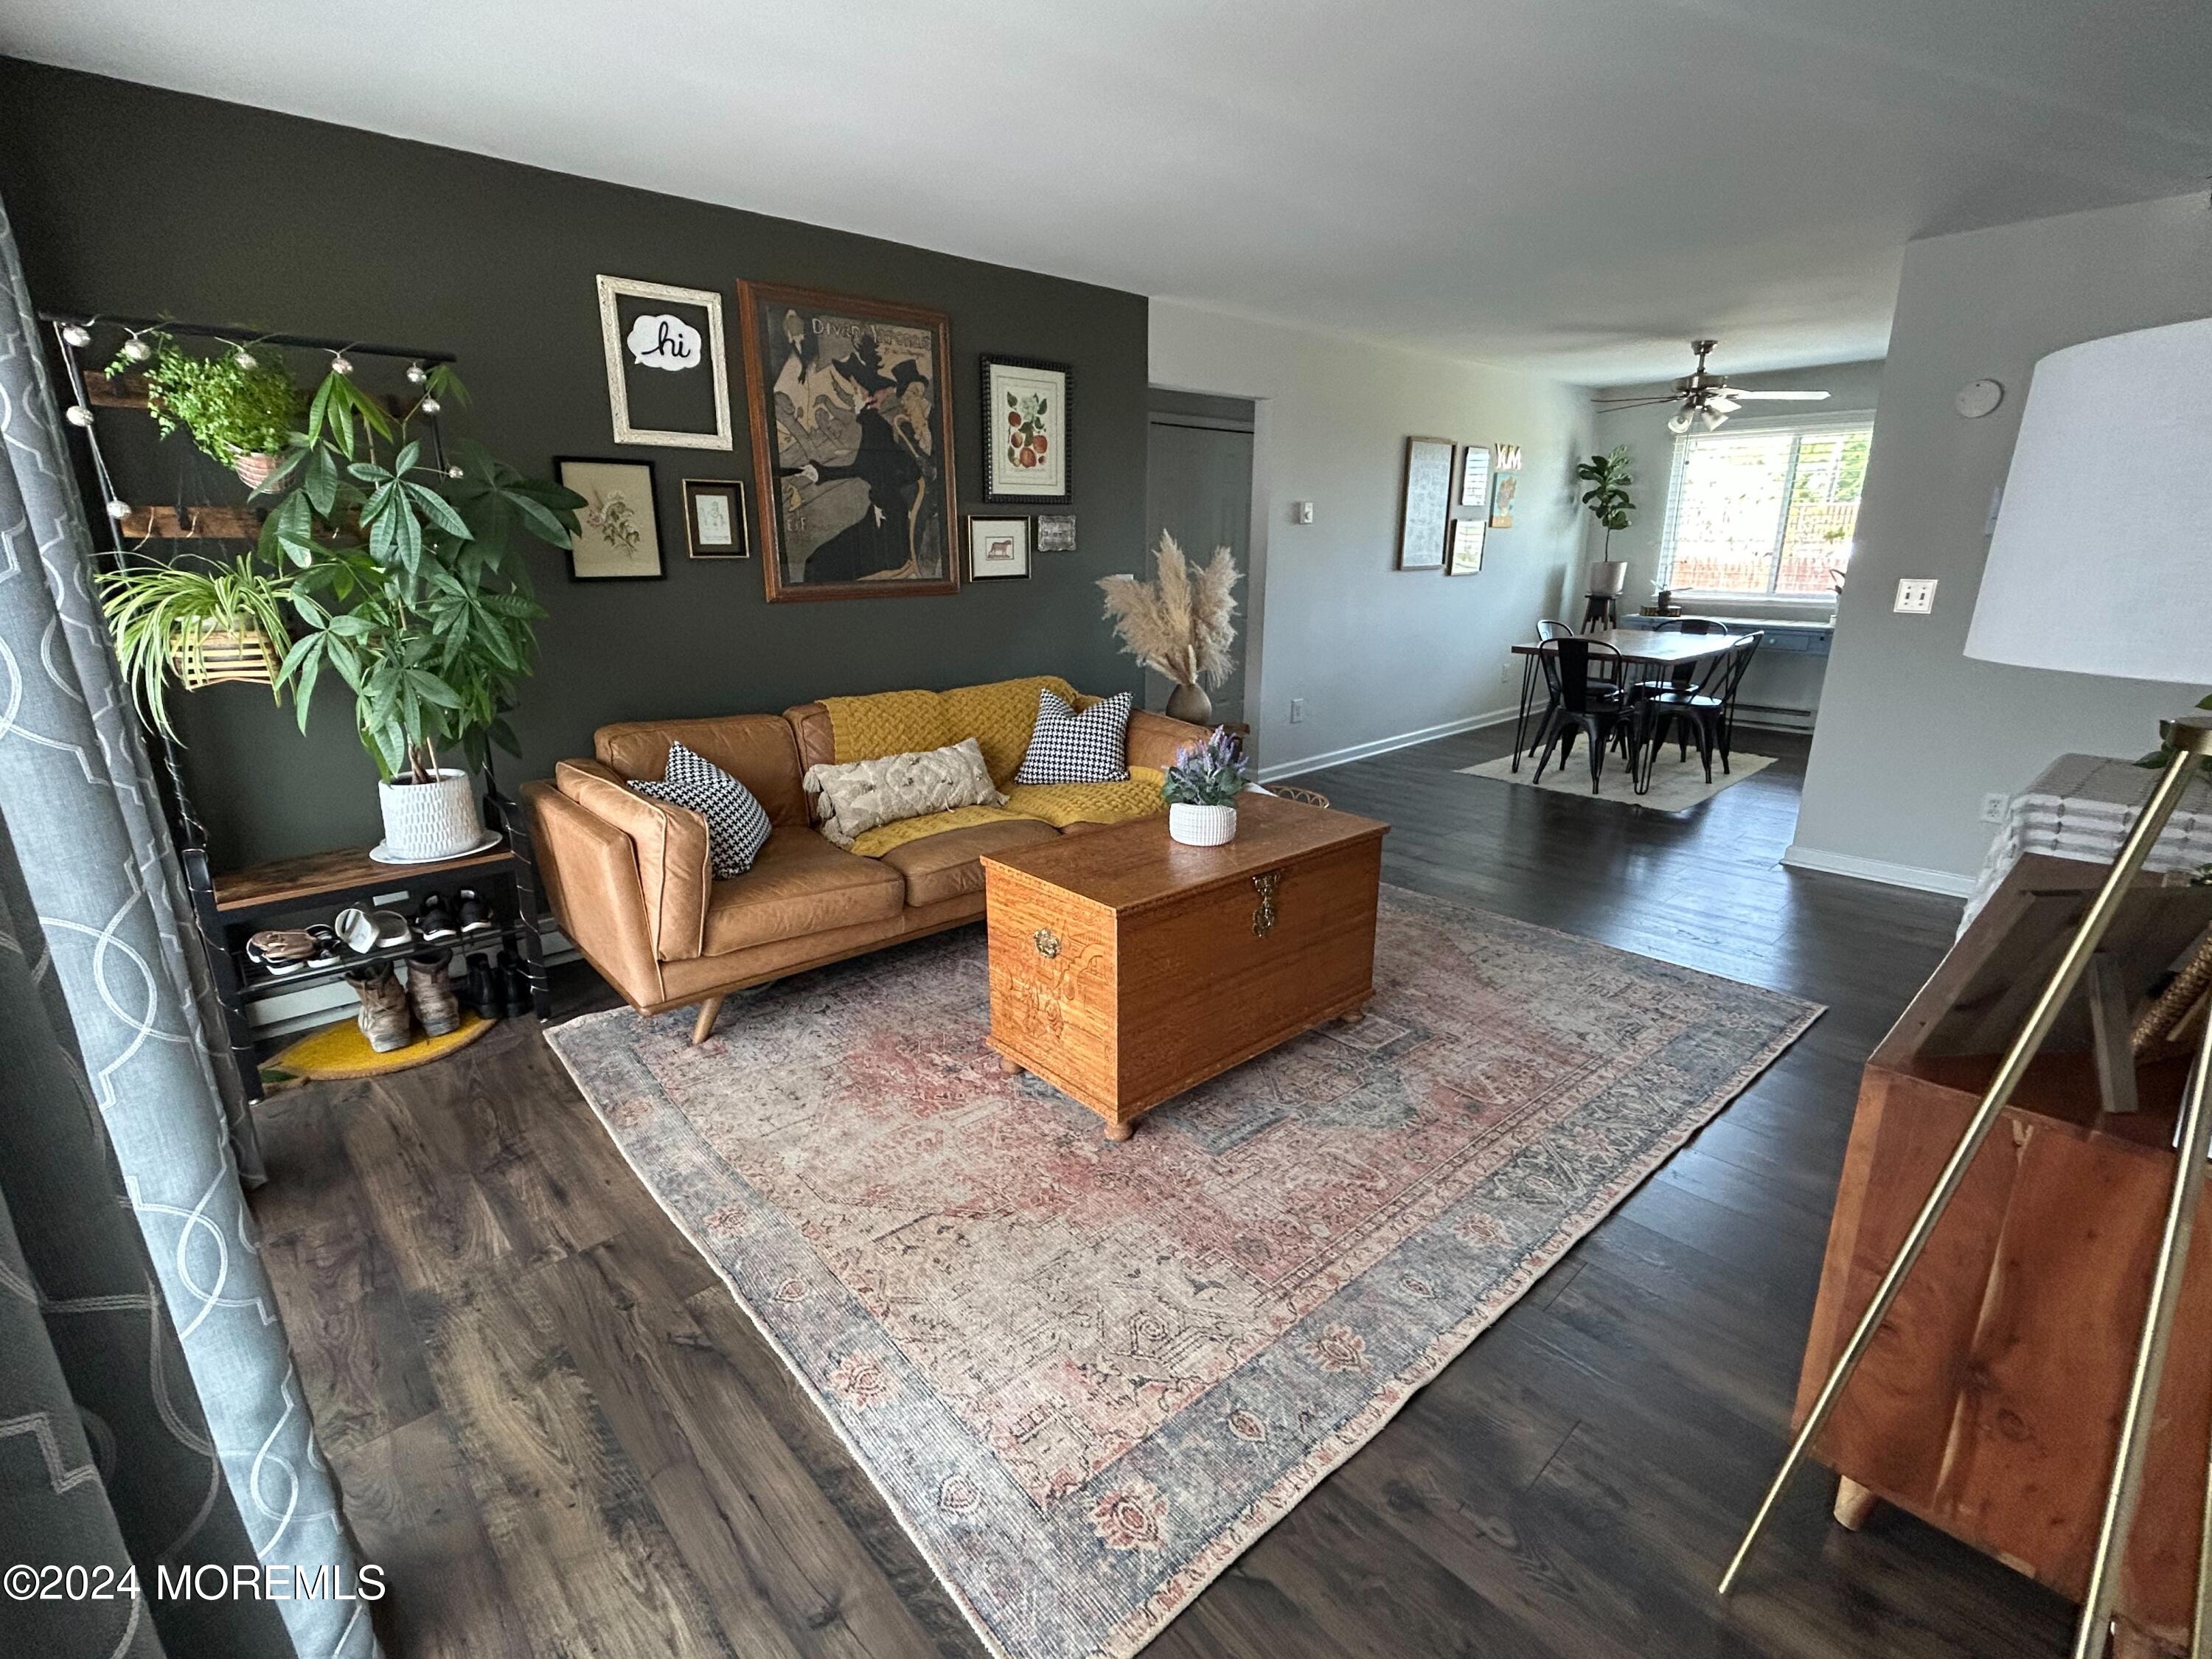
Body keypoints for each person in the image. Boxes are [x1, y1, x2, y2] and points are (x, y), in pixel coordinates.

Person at [796, 335, 941, 583]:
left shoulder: (877, 426)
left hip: (889, 533)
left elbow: (874, 468)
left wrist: (824, 472)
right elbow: (869, 467)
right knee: (819, 563)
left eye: (855, 390)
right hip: (879, 521)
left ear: (868, 396)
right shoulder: (879, 425)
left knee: (819, 564)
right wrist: (823, 473)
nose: (853, 396)